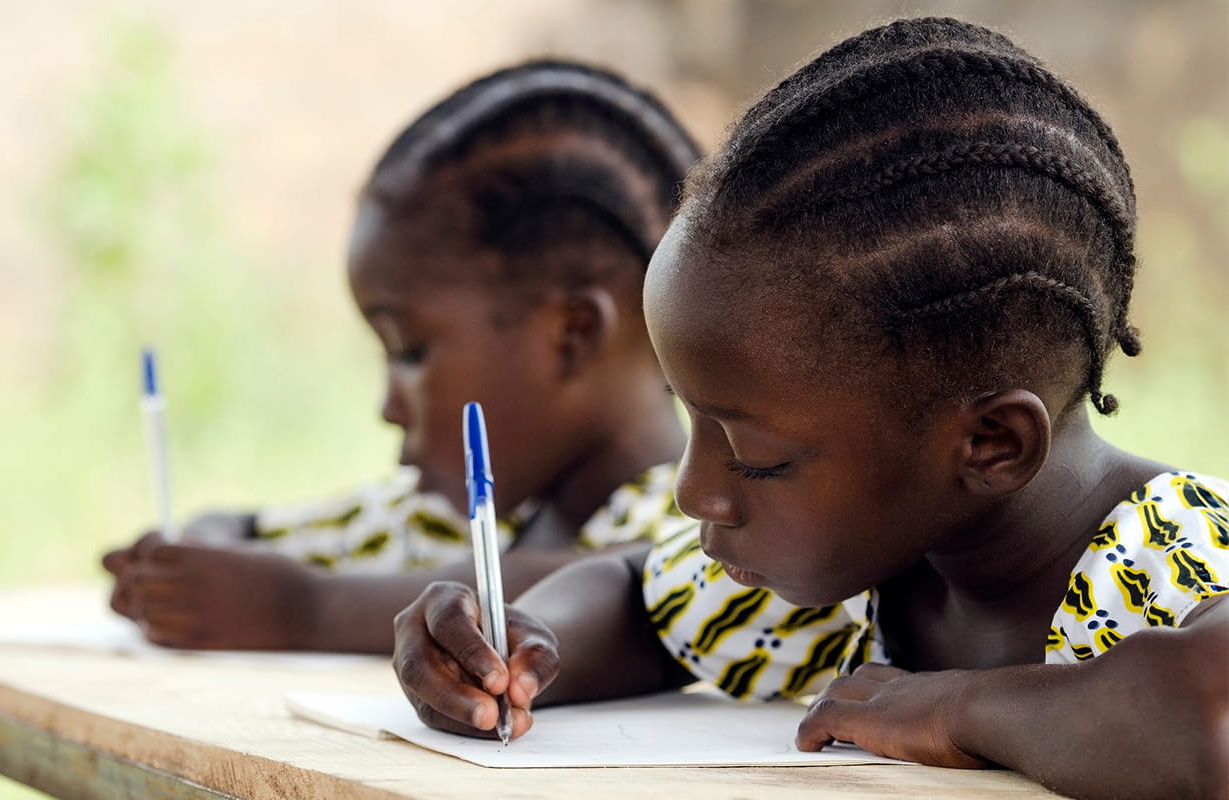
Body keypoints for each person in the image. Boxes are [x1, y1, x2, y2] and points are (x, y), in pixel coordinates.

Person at [390, 19, 1228, 799]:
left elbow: (1207, 725)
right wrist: (518, 648)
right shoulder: (864, 570)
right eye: (691, 422)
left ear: (990, 443)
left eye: (758, 458)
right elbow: (635, 598)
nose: (694, 494)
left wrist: (945, 710)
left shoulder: (1181, 561)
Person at [101, 59, 701, 654]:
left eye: (411, 353)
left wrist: (305, 610)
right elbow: (247, 529)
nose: (388, 408)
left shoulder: (703, 530)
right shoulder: (434, 523)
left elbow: (616, 586)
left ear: (570, 336)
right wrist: (192, 561)